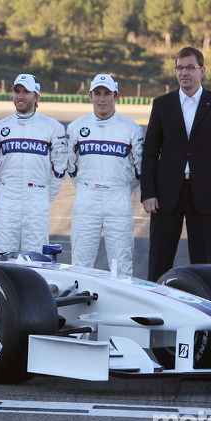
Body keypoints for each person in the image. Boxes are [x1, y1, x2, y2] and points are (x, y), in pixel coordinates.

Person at [140, 46, 211, 282]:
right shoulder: (162, 104)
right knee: (159, 263)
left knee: (205, 266)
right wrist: (148, 193)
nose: (184, 73)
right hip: (166, 195)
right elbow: (151, 152)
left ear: (202, 70)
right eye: (180, 68)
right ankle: (156, 310)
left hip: (205, 195)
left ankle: (205, 313)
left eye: (190, 68)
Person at [67, 74, 145, 274]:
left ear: (116, 96)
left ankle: (120, 305)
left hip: (118, 198)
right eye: (97, 93)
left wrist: (120, 188)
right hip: (86, 196)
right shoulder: (76, 128)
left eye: (107, 94)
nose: (102, 99)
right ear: (90, 96)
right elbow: (70, 165)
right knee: (80, 263)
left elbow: (139, 170)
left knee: (122, 264)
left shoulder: (131, 129)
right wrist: (87, 185)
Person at [0, 74, 68, 254]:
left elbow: (60, 168)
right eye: (17, 91)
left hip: (38, 199)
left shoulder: (53, 128)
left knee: (35, 258)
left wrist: (44, 195)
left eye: (26, 92)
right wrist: (8, 191)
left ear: (36, 96)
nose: (20, 96)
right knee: (1, 257)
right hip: (7, 199)